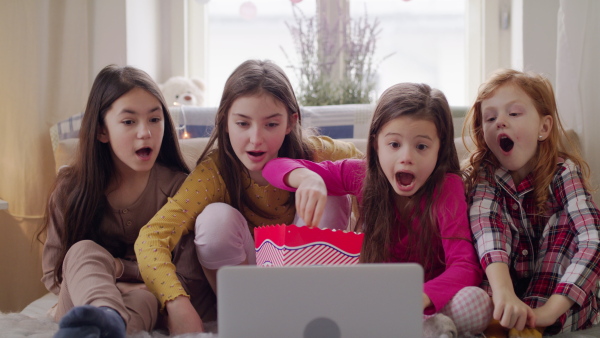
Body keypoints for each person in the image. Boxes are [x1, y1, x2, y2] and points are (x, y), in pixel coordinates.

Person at [134, 59, 362, 335]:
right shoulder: (214, 174)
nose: (256, 139)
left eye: (271, 124)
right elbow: (152, 237)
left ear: (291, 123)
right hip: (249, 295)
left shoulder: (316, 152)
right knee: (215, 218)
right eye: (243, 123)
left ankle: (304, 313)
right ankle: (247, 316)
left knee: (331, 193)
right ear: (226, 122)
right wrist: (177, 303)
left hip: (312, 290)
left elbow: (375, 174)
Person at [262, 82, 493, 337]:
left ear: (440, 150)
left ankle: (421, 327)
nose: (407, 157)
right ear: (375, 144)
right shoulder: (360, 174)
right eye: (394, 145)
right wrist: (308, 178)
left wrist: (421, 298)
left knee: (477, 302)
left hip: (429, 303)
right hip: (372, 301)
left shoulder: (447, 187)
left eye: (421, 147)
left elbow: (465, 266)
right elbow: (274, 167)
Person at [38, 65, 215, 337]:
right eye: (129, 121)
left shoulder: (180, 189)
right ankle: (104, 315)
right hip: (83, 300)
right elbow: (54, 275)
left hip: (151, 306)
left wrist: (121, 274)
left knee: (145, 299)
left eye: (155, 119)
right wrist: (120, 281)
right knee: (83, 251)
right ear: (101, 131)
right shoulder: (70, 190)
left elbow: (187, 279)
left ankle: (107, 327)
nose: (145, 132)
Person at [463, 69, 600, 337]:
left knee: (567, 224)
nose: (500, 121)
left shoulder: (563, 172)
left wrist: (546, 312)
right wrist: (503, 296)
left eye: (513, 114)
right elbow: (487, 230)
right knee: (485, 229)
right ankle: (499, 317)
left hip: (559, 299)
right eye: (490, 117)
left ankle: (536, 322)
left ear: (544, 128)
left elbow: (592, 238)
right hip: (506, 289)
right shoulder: (485, 176)